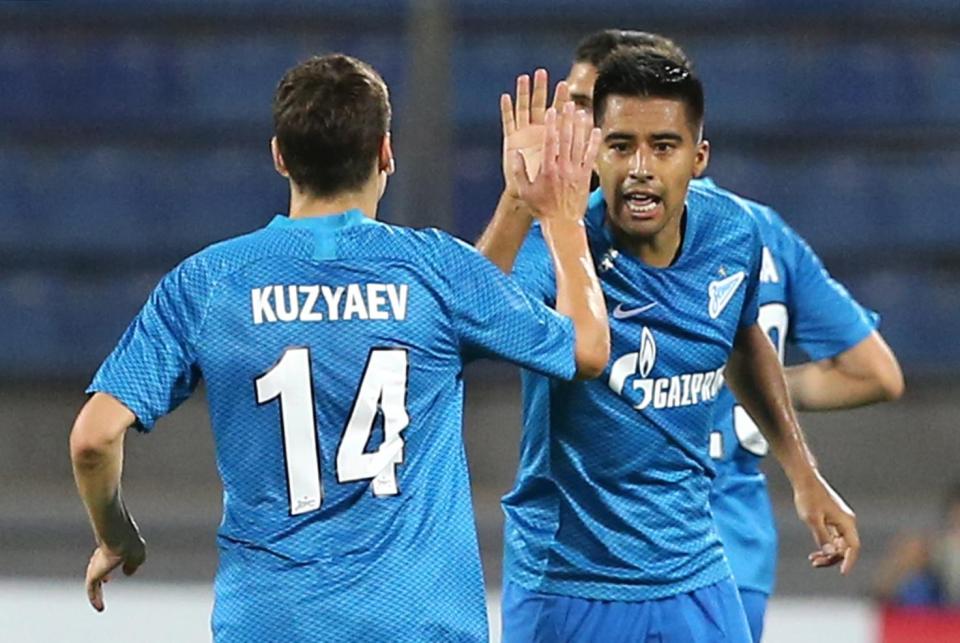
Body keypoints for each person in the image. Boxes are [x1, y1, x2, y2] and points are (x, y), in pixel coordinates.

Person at [69, 53, 610, 643]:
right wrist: (559, 216)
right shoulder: (433, 271)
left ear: (279, 155)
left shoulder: (209, 281)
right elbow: (583, 347)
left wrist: (116, 535)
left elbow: (93, 438)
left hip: (273, 623)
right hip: (417, 621)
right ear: (385, 152)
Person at [478, 49, 860, 642]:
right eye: (621, 145)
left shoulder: (734, 235)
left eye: (663, 146)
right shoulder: (554, 251)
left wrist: (805, 474)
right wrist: (519, 202)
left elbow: (742, 338)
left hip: (693, 571)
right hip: (570, 581)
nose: (640, 168)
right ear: (594, 151)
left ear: (698, 157)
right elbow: (469, 321)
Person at [557, 29, 905, 641]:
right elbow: (872, 371)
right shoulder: (758, 226)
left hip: (672, 547)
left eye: (587, 106)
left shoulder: (589, 242)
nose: (577, 126)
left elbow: (748, 348)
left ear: (694, 147)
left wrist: (712, 379)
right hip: (720, 547)